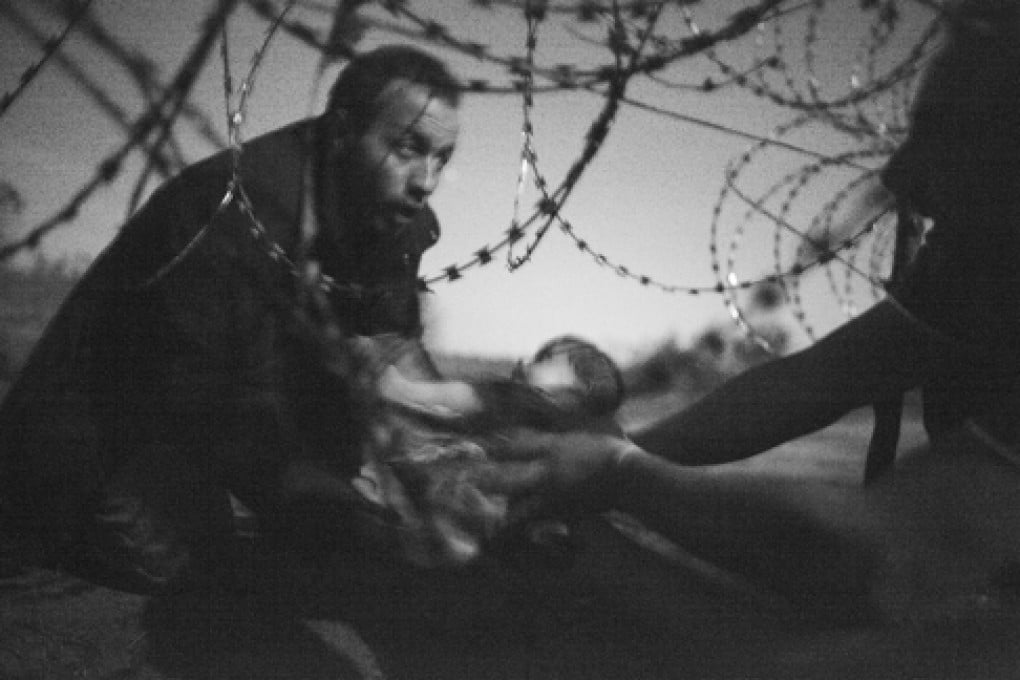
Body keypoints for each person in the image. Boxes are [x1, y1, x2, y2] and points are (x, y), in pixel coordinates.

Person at [484, 0, 1020, 616]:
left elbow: (892, 553)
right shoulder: (985, 255)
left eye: (949, 147)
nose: (911, 193)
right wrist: (610, 454)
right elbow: (817, 380)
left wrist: (618, 476)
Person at [0, 45, 462, 593]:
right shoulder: (231, 209)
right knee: (210, 575)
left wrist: (443, 467)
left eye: (442, 158)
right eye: (408, 148)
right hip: (112, 437)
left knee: (366, 538)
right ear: (341, 131)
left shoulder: (393, 220)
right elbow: (187, 388)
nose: (426, 180)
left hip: (232, 422)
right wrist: (319, 488)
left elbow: (391, 351)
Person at [338, 333, 625, 568]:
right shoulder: (572, 427)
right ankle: (528, 538)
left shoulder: (515, 395)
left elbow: (457, 398)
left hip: (457, 486)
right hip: (503, 506)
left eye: (548, 359)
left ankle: (402, 525)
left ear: (574, 389)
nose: (533, 360)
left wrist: (400, 388)